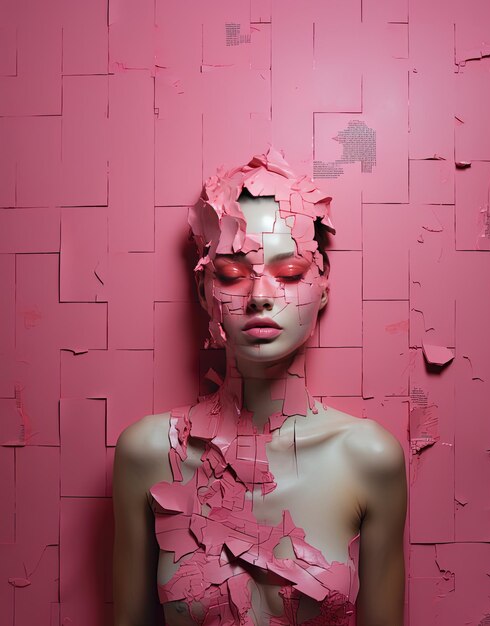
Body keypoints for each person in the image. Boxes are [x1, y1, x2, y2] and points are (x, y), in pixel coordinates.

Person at [112, 147, 407, 626]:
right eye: (231, 273)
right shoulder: (146, 453)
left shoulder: (370, 458)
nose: (261, 298)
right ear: (204, 290)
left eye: (289, 273)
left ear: (323, 285)